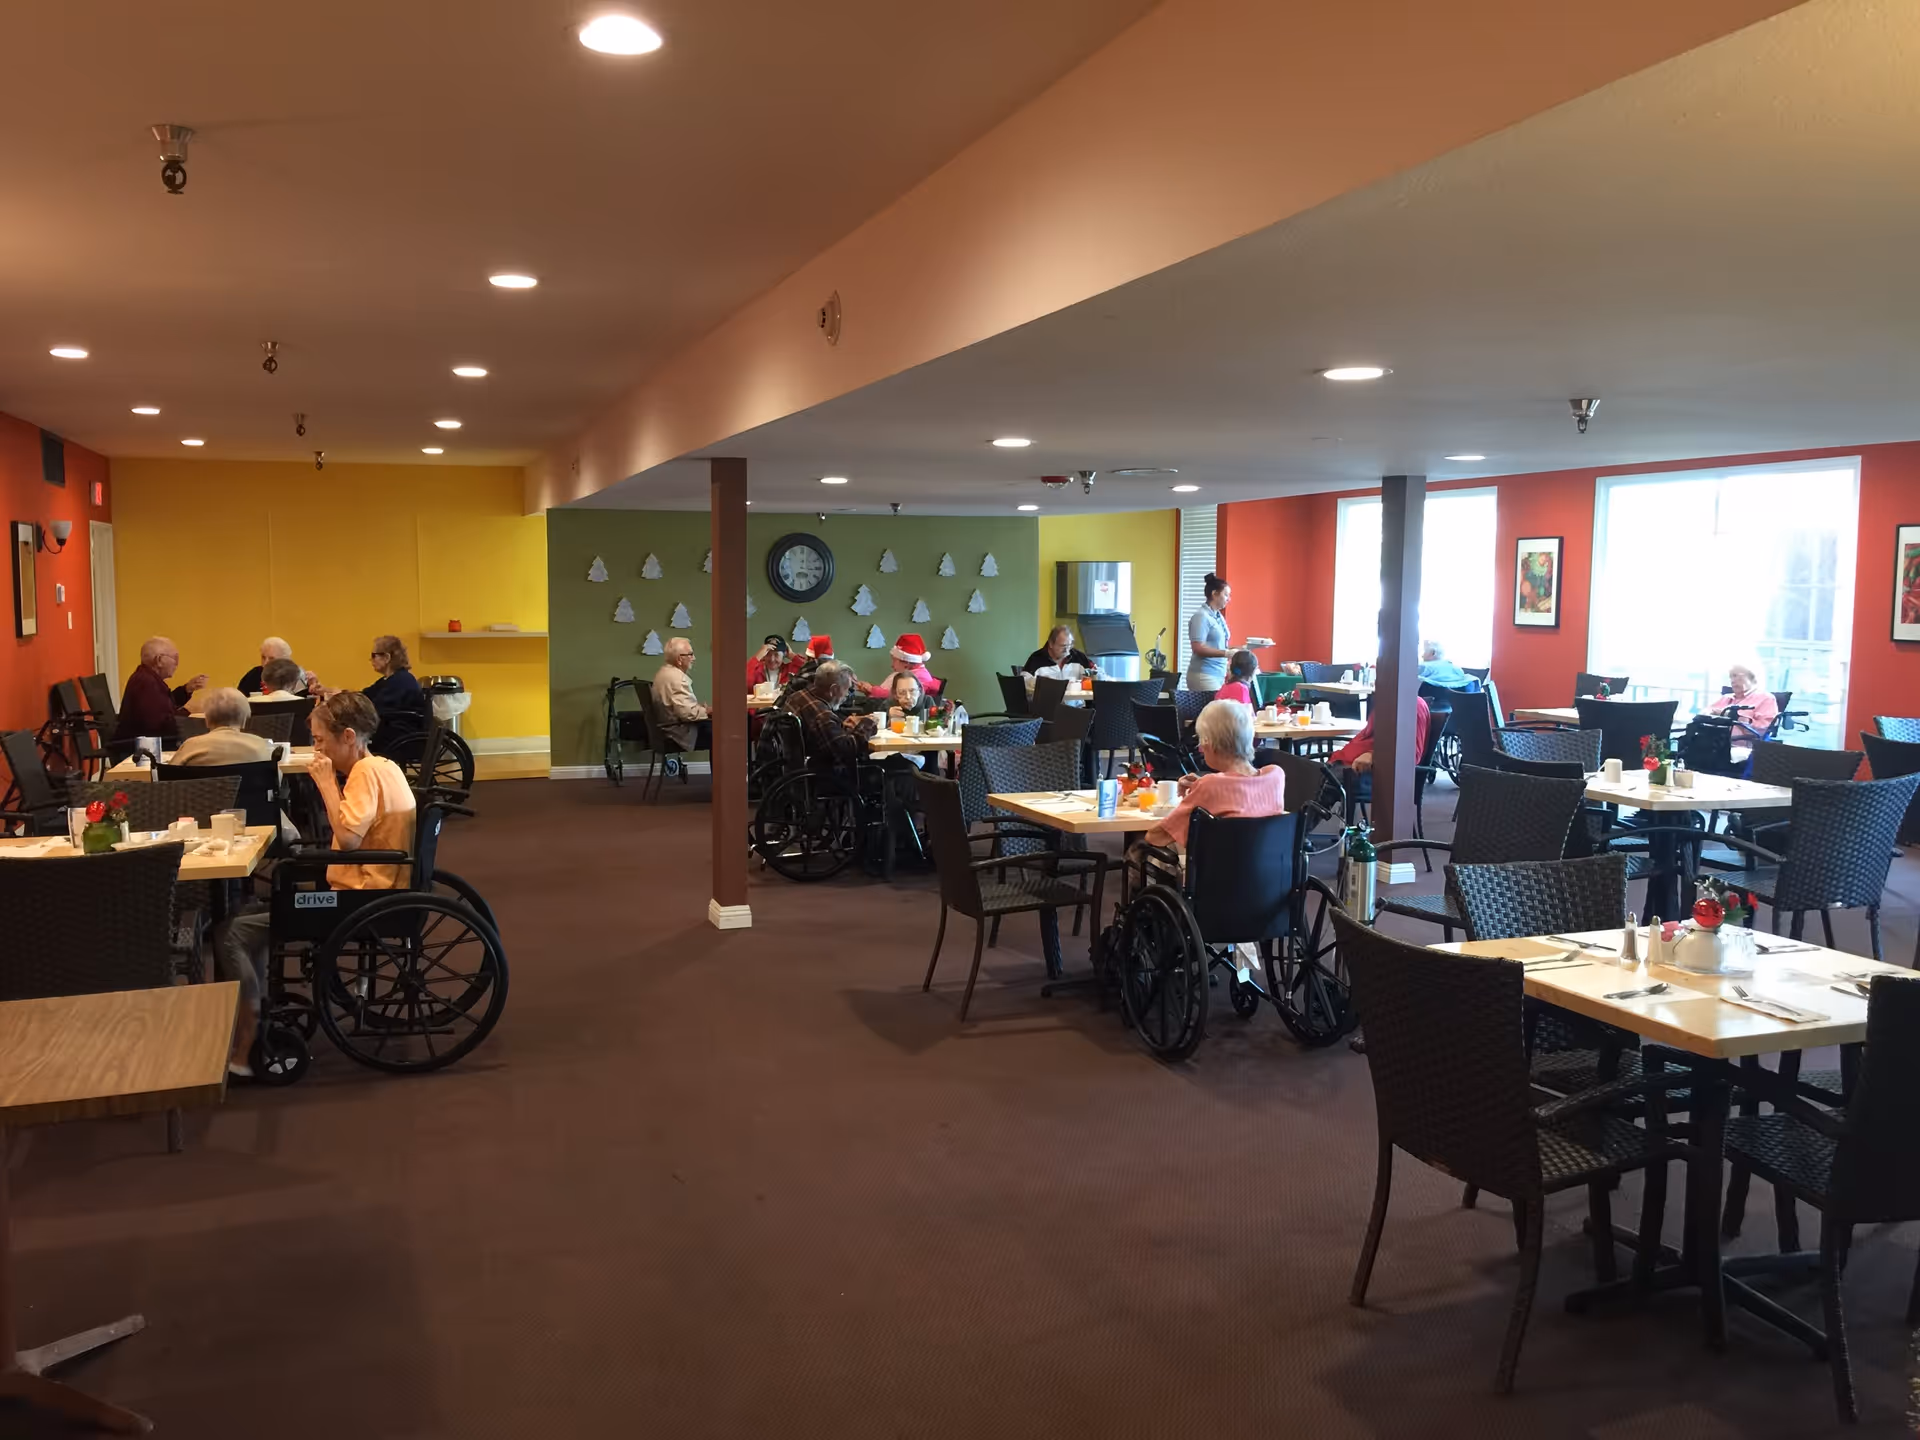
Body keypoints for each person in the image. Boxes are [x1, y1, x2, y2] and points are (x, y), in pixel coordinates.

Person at [212, 691, 416, 1075]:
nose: (316, 749)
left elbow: (349, 841)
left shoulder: (364, 774)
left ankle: (249, 1031)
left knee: (232, 932)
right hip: (378, 888)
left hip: (360, 899)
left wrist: (325, 784)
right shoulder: (385, 765)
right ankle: (251, 1020)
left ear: (349, 736)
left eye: (320, 740)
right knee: (251, 917)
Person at [1130, 700, 1287, 891]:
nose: (1200, 749)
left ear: (1211, 745)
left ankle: (1144, 917)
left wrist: (1202, 789)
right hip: (1266, 883)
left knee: (1138, 851)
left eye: (1201, 741)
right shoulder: (1275, 776)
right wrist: (1201, 788)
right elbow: (1242, 795)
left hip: (1218, 888)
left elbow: (1156, 837)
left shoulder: (1210, 786)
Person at [114, 636, 208, 744]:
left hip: (146, 743)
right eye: (175, 658)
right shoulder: (145, 683)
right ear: (159, 660)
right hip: (138, 749)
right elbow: (162, 726)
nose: (176, 664)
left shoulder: (147, 678)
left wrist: (186, 690)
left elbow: (164, 706)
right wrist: (188, 710)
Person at [786, 660, 873, 767]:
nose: (847, 695)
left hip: (789, 768)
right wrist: (868, 724)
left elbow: (822, 736)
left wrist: (840, 726)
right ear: (833, 689)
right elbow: (846, 751)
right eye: (847, 689)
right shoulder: (823, 716)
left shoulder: (798, 696)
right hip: (818, 775)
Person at [170, 688, 274, 766]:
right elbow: (275, 779)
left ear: (207, 719)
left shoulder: (191, 746)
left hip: (200, 794)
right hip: (249, 795)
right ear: (244, 720)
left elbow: (168, 776)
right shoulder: (259, 745)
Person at [1331, 696, 1432, 774]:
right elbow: (1365, 737)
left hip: (1363, 771)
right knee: (1316, 777)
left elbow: (1411, 755)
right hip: (1342, 763)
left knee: (1318, 786)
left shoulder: (1412, 706)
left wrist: (1372, 755)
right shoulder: (1387, 701)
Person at [1704, 662, 1778, 762]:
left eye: (1736, 676)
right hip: (1712, 742)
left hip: (1739, 746)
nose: (1732, 681)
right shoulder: (1726, 698)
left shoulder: (1766, 699)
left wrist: (1737, 718)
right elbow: (1704, 713)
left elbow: (1763, 730)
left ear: (1751, 677)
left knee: (1707, 754)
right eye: (1731, 677)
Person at [652, 636, 712, 751]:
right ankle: (725, 769)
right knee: (725, 734)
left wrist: (699, 708)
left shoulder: (663, 672)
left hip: (667, 729)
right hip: (679, 734)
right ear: (679, 659)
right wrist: (707, 711)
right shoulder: (677, 679)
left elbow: (680, 707)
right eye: (690, 654)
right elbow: (687, 714)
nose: (694, 658)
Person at [1185, 572, 1232, 692]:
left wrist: (1243, 649)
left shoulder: (1218, 616)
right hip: (1204, 675)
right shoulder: (1201, 616)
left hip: (1218, 674)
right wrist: (1226, 653)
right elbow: (1198, 648)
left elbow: (1219, 646)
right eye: (1226, 595)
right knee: (1214, 710)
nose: (1229, 599)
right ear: (1214, 594)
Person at [866, 633, 942, 697]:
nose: (892, 665)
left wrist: (871, 689)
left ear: (906, 662)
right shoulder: (903, 673)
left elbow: (899, 696)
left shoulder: (919, 677)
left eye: (894, 661)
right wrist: (868, 690)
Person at [1021, 625, 1093, 677]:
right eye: (1063, 646)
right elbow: (1023, 683)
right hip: (1047, 697)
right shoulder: (1036, 658)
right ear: (1051, 644)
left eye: (1069, 645)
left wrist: (1093, 674)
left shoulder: (1078, 656)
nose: (1067, 650)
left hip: (1075, 698)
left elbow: (1098, 674)